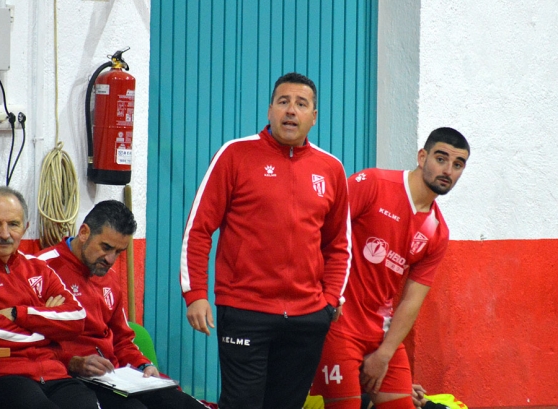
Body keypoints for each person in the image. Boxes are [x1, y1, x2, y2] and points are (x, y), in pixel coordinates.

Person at [180, 72, 352, 409]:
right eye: (284, 102)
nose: (291, 111)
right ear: (270, 109)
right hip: (245, 310)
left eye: (301, 104)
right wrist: (195, 294)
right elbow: (198, 229)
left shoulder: (331, 169)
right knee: (242, 403)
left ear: (313, 117)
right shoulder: (235, 155)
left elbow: (339, 245)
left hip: (307, 317)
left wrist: (330, 299)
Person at [310, 127, 470, 409]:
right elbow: (318, 237)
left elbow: (412, 300)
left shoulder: (438, 231)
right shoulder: (373, 183)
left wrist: (384, 354)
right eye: (441, 158)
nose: (448, 170)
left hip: (380, 336)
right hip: (337, 326)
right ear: (422, 157)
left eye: (458, 165)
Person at [0, 186, 100, 409]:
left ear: (25, 227)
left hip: (54, 374)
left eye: (13, 224)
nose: (5, 234)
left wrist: (18, 314)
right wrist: (50, 329)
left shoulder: (39, 268)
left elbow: (77, 319)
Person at [37, 200, 208, 409]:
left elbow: (123, 340)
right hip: (67, 379)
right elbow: (28, 342)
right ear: (84, 232)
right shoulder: (40, 269)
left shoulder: (109, 278)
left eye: (119, 251)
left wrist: (144, 365)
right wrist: (73, 361)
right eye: (106, 247)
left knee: (185, 405)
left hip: (114, 377)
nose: (110, 259)